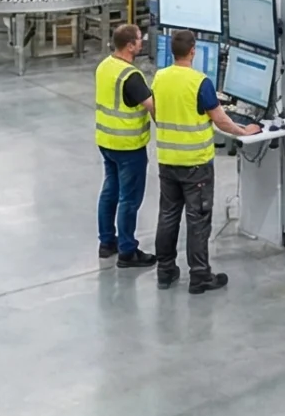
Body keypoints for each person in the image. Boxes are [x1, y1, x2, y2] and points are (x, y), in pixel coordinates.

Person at [150, 28, 260, 293]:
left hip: (167, 159)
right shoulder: (200, 82)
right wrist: (245, 131)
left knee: (168, 215)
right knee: (197, 220)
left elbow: (155, 109)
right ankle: (199, 275)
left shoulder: (159, 77)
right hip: (195, 163)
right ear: (193, 51)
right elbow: (220, 119)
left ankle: (165, 271)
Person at [93, 23, 158, 268]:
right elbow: (153, 106)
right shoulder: (131, 76)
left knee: (110, 191)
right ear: (130, 46)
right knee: (129, 199)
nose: (142, 43)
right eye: (139, 39)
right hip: (128, 146)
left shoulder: (105, 66)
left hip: (106, 142)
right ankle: (128, 251)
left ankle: (107, 242)